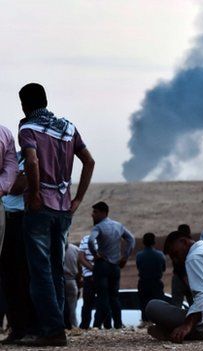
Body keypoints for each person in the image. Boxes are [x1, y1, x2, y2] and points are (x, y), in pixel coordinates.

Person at [17, 83, 95, 347]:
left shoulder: (27, 129)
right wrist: (78, 198)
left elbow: (32, 161)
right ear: (46, 101)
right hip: (63, 209)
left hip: (40, 208)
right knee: (56, 270)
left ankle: (51, 330)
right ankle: (55, 326)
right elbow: (89, 161)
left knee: (40, 272)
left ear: (24, 105)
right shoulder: (68, 127)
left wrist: (36, 192)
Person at [0, 152, 36, 344]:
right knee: (9, 278)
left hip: (20, 220)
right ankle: (17, 328)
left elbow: (16, 187)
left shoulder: (31, 159)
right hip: (6, 219)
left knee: (23, 276)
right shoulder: (13, 158)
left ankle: (29, 327)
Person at [88, 201, 135, 329]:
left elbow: (91, 241)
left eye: (95, 212)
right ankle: (118, 324)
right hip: (115, 266)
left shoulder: (98, 227)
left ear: (103, 213)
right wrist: (125, 257)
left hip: (102, 265)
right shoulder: (118, 226)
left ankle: (99, 325)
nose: (92, 215)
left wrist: (96, 255)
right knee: (114, 297)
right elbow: (131, 239)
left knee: (102, 296)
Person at [136, 233, 166, 323]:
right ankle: (158, 322)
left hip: (143, 283)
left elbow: (138, 267)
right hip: (156, 283)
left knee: (144, 304)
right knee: (159, 305)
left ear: (144, 242)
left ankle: (145, 322)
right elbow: (163, 268)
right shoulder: (160, 255)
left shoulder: (139, 255)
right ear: (154, 242)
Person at [171, 225, 194, 308]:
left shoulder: (175, 245)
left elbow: (176, 265)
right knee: (194, 306)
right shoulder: (193, 245)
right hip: (192, 278)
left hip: (178, 278)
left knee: (176, 306)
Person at [78, 233, 97, 329]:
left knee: (87, 303)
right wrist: (98, 270)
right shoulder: (107, 238)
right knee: (103, 301)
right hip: (102, 276)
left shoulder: (85, 239)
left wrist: (92, 268)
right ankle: (100, 325)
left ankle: (84, 325)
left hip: (88, 276)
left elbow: (81, 258)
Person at [63, 242, 81, 329]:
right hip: (72, 280)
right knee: (72, 307)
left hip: (58, 281)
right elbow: (80, 266)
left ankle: (61, 327)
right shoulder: (75, 249)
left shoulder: (53, 248)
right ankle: (73, 326)